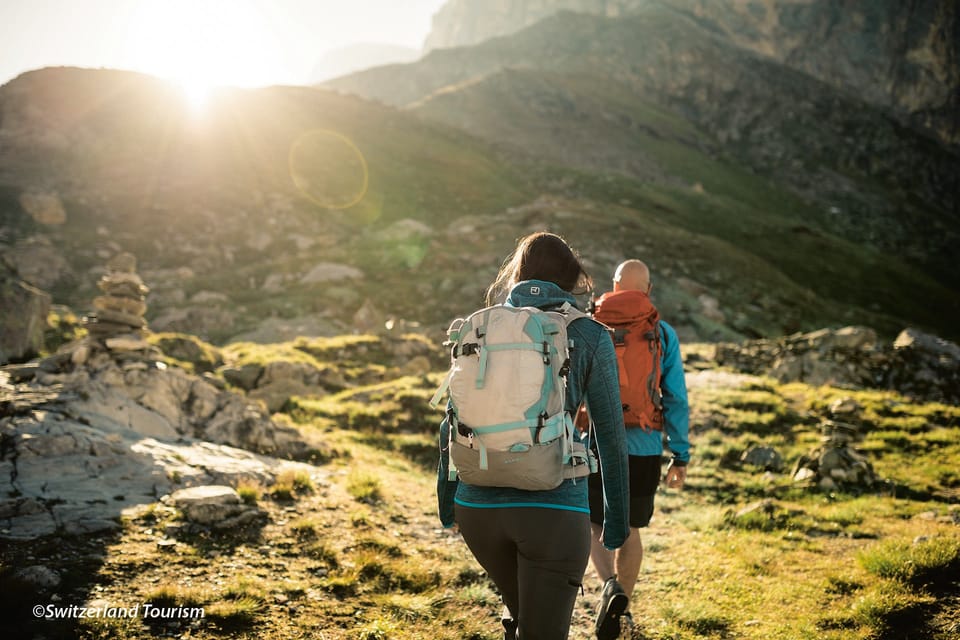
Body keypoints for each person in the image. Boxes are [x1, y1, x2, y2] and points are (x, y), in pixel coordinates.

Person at [437, 232, 631, 640]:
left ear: (517, 275)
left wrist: (447, 505)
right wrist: (617, 523)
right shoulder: (590, 334)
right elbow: (610, 437)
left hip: (477, 508)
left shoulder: (482, 326)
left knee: (525, 612)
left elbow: (451, 421)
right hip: (554, 510)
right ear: (570, 278)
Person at [587, 259, 690, 640]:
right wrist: (680, 454)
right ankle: (621, 607)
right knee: (628, 526)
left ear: (613, 287)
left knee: (594, 523)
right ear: (647, 290)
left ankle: (609, 587)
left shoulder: (590, 326)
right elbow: (675, 397)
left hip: (596, 440)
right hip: (644, 445)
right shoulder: (662, 333)